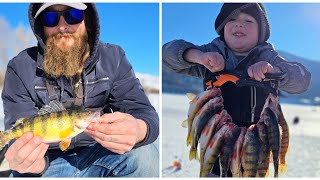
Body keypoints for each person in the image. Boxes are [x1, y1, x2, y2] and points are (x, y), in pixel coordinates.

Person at [1, 3, 159, 177]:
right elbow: (17, 128)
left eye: (73, 15)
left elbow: (142, 111)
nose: (62, 26)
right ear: (41, 27)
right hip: (45, 164)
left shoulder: (113, 58)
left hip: (102, 154)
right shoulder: (20, 67)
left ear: (87, 20)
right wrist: (30, 160)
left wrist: (138, 129)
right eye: (50, 18)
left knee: (146, 156)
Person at [162, 3, 310, 176]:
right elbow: (167, 54)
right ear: (222, 28)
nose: (239, 24)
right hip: (216, 146)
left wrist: (275, 71)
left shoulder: (269, 57)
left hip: (256, 151)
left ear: (260, 33)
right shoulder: (209, 54)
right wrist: (199, 57)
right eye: (232, 19)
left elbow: (302, 79)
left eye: (248, 20)